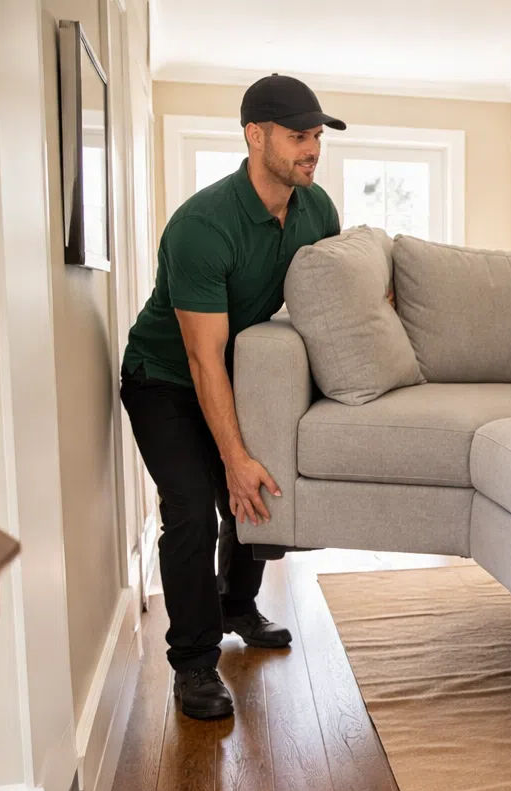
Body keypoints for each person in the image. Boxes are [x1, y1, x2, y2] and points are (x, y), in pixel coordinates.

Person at [120, 74, 343, 720]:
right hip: (164, 377)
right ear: (255, 136)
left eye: (317, 135)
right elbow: (201, 357)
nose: (312, 148)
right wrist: (233, 456)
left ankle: (237, 605)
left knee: (255, 491)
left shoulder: (316, 209)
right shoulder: (202, 226)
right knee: (194, 505)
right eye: (298, 136)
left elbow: (330, 293)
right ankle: (193, 662)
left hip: (233, 370)